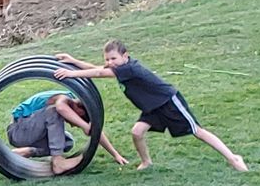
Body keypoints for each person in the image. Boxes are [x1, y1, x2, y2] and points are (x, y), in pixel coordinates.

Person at [53, 40, 248, 172]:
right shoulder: (119, 67)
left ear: (125, 56)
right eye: (107, 59)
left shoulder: (128, 68)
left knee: (197, 131)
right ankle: (146, 162)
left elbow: (99, 74)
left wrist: (71, 74)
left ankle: (233, 157)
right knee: (137, 132)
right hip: (152, 108)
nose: (109, 62)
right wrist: (73, 61)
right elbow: (98, 69)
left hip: (168, 102)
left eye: (113, 58)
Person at [5, 90, 129, 174]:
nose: (74, 125)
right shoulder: (63, 98)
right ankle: (58, 163)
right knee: (54, 112)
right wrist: (85, 126)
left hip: (30, 133)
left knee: (66, 142)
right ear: (79, 110)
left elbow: (95, 133)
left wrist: (115, 154)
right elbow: (60, 108)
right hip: (18, 131)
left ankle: (26, 152)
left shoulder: (71, 99)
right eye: (78, 120)